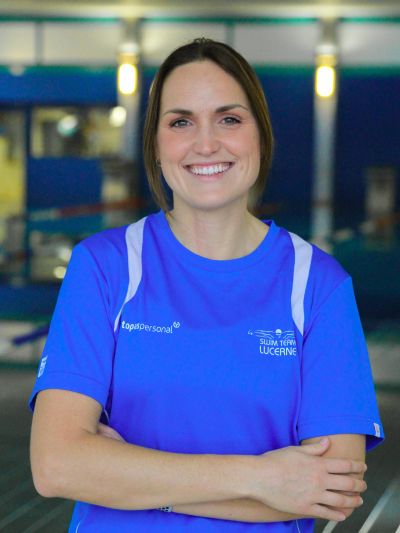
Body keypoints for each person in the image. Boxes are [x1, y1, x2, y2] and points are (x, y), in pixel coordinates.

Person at [29, 38, 383, 532]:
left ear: (261, 134)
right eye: (181, 122)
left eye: (229, 119)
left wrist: (128, 478)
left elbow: (332, 488)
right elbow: (56, 466)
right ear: (156, 145)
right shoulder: (106, 267)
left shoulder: (317, 285)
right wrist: (261, 478)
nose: (206, 144)